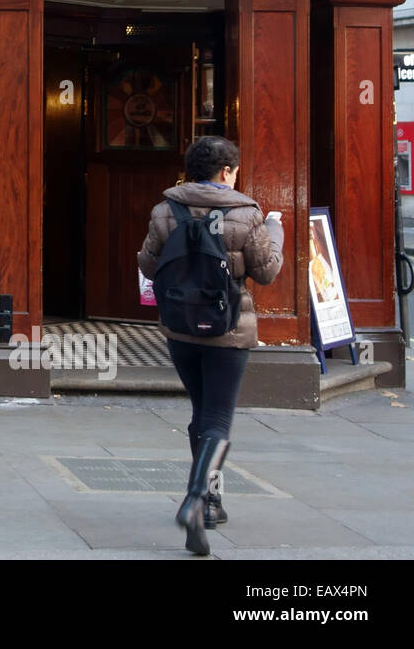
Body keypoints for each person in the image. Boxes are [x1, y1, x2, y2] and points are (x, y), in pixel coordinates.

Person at [137, 135, 284, 555]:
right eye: (234, 171)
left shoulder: (166, 209)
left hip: (180, 328)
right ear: (226, 171)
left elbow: (148, 262)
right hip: (228, 328)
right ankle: (197, 498)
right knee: (218, 420)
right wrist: (274, 230)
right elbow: (267, 271)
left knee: (201, 415)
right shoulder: (247, 213)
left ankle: (210, 501)